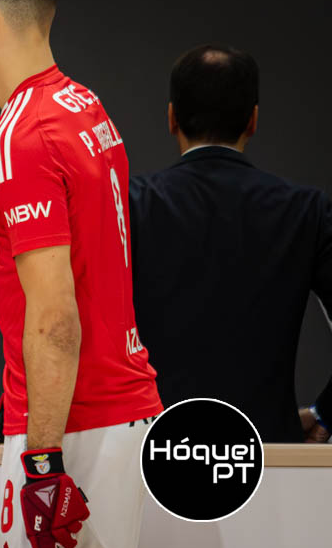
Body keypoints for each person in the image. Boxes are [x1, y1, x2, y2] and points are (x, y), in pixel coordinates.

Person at [0, 0, 162, 548]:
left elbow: (55, 316)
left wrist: (41, 461)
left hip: (75, 432)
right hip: (116, 413)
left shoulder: (19, 139)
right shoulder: (85, 107)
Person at [129, 44, 332, 443]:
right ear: (253, 120)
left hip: (152, 456)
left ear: (171, 118)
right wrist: (327, 414)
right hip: (269, 456)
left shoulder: (128, 204)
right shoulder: (306, 210)